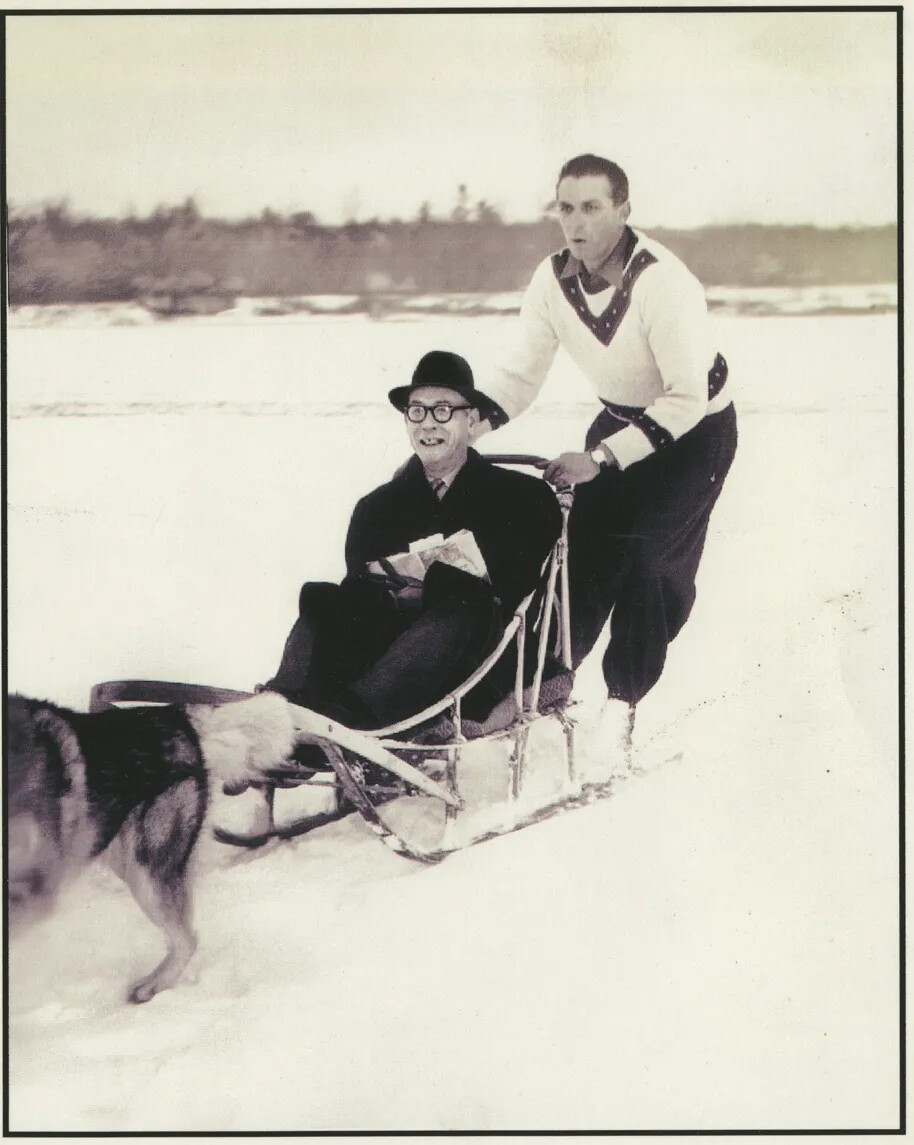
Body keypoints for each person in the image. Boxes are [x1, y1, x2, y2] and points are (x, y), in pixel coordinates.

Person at [477, 154, 738, 737]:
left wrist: (598, 459)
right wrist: (466, 426)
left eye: (592, 207)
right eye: (566, 208)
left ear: (623, 209)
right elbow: (522, 374)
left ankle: (622, 705)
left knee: (649, 563)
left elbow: (685, 400)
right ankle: (540, 686)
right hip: (620, 423)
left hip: (695, 437)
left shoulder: (664, 282)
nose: (576, 223)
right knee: (579, 560)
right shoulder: (551, 280)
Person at [263, 349, 562, 731]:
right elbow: (359, 596)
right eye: (416, 411)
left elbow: (516, 590)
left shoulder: (522, 497)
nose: (427, 424)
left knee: (464, 603)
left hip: (478, 664)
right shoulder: (375, 508)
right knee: (325, 599)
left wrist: (433, 588)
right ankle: (281, 704)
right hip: (388, 649)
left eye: (443, 411)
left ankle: (357, 717)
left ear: (472, 419)